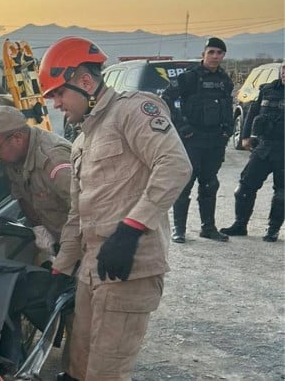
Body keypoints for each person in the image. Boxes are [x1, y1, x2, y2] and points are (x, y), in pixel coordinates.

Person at [41, 36, 192, 381]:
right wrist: (61, 270)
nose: (57, 105)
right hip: (93, 269)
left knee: (104, 373)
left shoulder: (133, 111)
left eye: (59, 94)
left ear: (84, 81)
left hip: (130, 269)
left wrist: (131, 228)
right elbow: (76, 216)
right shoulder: (82, 140)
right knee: (76, 367)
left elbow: (174, 166)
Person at [0, 105, 72, 259]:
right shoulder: (14, 158)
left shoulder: (54, 160)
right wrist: (39, 228)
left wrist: (73, 252)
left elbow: (90, 211)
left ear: (17, 138)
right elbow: (22, 196)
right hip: (61, 241)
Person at [161, 37, 234, 243]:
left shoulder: (224, 80)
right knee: (185, 183)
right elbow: (166, 98)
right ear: (203, 54)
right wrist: (183, 127)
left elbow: (228, 106)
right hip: (192, 138)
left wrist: (227, 131)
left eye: (219, 53)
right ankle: (179, 230)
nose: (215, 56)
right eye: (211, 52)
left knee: (210, 184)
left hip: (215, 140)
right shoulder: (189, 78)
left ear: (223, 56)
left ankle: (208, 228)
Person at [221, 61, 284, 242]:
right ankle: (240, 225)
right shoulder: (267, 89)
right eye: (284, 69)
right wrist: (246, 136)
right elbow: (251, 113)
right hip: (263, 147)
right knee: (244, 188)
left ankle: (273, 230)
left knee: (282, 194)